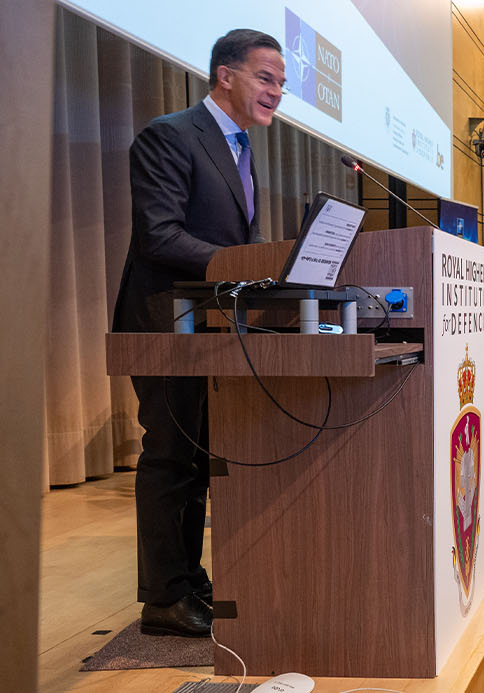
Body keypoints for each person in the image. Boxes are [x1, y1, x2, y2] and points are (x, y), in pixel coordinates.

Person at [113, 29, 285, 638]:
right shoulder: (170, 134)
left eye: (282, 84)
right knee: (170, 457)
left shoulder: (238, 146)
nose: (277, 92)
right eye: (267, 78)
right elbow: (159, 235)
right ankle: (162, 597)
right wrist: (245, 267)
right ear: (225, 75)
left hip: (209, 323)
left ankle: (189, 580)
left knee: (203, 457)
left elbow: (229, 241)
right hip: (165, 323)